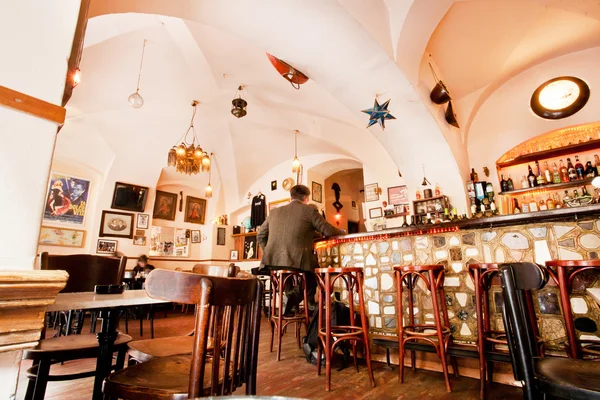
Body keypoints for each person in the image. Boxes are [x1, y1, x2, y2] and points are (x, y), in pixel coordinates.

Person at [258, 184, 344, 315]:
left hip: (272, 261)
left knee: (287, 272)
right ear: (306, 198)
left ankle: (288, 299)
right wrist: (342, 232)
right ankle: (293, 299)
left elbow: (260, 235)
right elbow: (328, 230)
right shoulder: (309, 211)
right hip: (298, 260)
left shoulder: (274, 212)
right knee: (313, 274)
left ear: (291, 195)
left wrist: (269, 251)